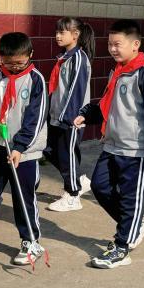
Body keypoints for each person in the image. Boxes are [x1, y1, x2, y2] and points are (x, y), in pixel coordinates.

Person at [84, 20, 144, 269]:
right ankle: (133, 225)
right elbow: (108, 104)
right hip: (113, 145)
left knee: (132, 199)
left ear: (135, 45)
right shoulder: (119, 71)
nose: (112, 49)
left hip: (137, 149)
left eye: (117, 44)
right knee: (99, 186)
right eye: (110, 44)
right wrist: (88, 114)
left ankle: (122, 247)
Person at [0, 32, 48, 266]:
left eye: (19, 62)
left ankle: (30, 241)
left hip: (23, 151)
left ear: (30, 55)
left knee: (22, 195)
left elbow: (35, 118)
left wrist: (19, 147)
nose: (14, 67)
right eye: (8, 63)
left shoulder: (36, 80)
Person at [46, 16, 94, 212]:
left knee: (68, 155)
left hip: (71, 119)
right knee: (48, 150)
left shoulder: (78, 59)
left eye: (62, 32)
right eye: (56, 32)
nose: (57, 36)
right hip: (57, 116)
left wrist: (67, 118)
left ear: (75, 35)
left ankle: (73, 194)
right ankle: (77, 179)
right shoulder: (64, 58)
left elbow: (76, 91)